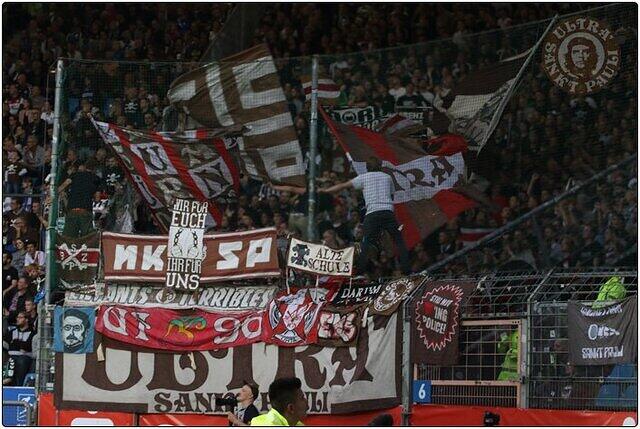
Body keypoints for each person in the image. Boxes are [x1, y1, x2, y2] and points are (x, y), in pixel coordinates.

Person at [319, 157, 410, 274]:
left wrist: (325, 191)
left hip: (372, 214)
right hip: (387, 212)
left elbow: (343, 186)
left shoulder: (363, 177)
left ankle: (360, 273)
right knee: (399, 241)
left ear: (367, 168)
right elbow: (391, 196)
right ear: (380, 167)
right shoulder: (387, 178)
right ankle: (407, 271)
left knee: (365, 243)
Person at [58, 161, 102, 237]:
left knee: (68, 238)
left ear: (85, 167)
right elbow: (97, 199)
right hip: (85, 210)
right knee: (87, 238)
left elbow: (62, 187)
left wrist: (63, 195)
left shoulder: (74, 175)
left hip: (72, 209)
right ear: (94, 169)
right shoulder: (96, 178)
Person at [2, 312, 35, 386]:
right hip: (11, 356)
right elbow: (4, 344)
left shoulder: (32, 333)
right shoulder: (12, 332)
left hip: (25, 357)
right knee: (9, 359)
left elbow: (27, 347)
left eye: (20, 317)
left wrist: (15, 343)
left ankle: (19, 386)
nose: (17, 319)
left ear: (26, 320)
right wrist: (20, 345)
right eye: (17, 317)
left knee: (21, 361)